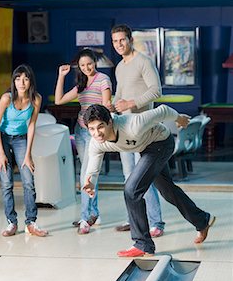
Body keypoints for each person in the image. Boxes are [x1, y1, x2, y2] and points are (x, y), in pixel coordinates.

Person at [82, 104, 216, 258]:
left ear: (110, 122)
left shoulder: (133, 124)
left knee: (131, 190)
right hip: (145, 148)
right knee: (168, 191)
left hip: (161, 143)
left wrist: (180, 119)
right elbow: (93, 165)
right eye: (91, 129)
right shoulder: (96, 142)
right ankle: (202, 220)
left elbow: (163, 110)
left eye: (100, 127)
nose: (97, 133)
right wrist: (90, 181)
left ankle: (143, 244)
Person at [109, 24, 165, 238]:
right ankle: (135, 220)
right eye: (115, 41)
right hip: (124, 128)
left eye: (122, 40)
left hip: (143, 127)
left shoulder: (144, 61)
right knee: (128, 176)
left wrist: (131, 103)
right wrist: (112, 108)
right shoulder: (120, 67)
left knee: (143, 177)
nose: (119, 44)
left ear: (130, 39)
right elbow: (119, 94)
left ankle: (156, 222)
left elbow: (156, 91)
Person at [54, 48, 112, 234]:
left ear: (95, 62)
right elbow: (59, 100)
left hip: (95, 134)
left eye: (89, 64)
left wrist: (101, 132)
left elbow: (105, 109)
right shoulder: (81, 84)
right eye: (82, 65)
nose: (87, 68)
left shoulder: (103, 80)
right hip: (80, 131)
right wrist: (61, 76)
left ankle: (85, 218)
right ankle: (94, 212)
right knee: (87, 173)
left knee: (85, 175)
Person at [0, 64, 48, 237]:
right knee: (7, 182)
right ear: (13, 81)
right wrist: (1, 153)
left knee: (28, 181)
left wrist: (28, 155)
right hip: (2, 137)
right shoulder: (6, 99)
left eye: (25, 78)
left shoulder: (36, 99)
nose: (21, 82)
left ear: (30, 80)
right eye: (18, 78)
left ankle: (31, 222)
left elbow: (31, 125)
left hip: (21, 139)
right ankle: (11, 222)